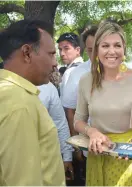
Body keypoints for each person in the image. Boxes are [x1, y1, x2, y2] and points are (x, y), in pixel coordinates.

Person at [74, 21, 132, 186]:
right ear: (97, 49)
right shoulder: (85, 81)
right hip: (98, 154)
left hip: (128, 157)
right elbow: (78, 121)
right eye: (105, 46)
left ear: (124, 48)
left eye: (117, 45)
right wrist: (92, 132)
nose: (112, 51)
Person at [0, 20, 65, 185]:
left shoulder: (12, 93)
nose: (55, 63)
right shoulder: (18, 103)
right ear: (27, 53)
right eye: (51, 54)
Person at [62, 25, 98, 185]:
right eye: (91, 49)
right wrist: (76, 145)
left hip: (121, 146)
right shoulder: (77, 74)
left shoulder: (127, 74)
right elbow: (70, 111)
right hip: (89, 148)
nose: (96, 54)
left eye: (101, 47)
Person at [37, 82, 74, 183]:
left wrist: (67, 156)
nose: (54, 65)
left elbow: (60, 123)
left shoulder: (48, 87)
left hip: (47, 162)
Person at [57, 32, 84, 100]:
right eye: (60, 49)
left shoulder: (70, 72)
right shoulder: (88, 67)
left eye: (66, 48)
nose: (62, 53)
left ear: (77, 50)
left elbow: (67, 106)